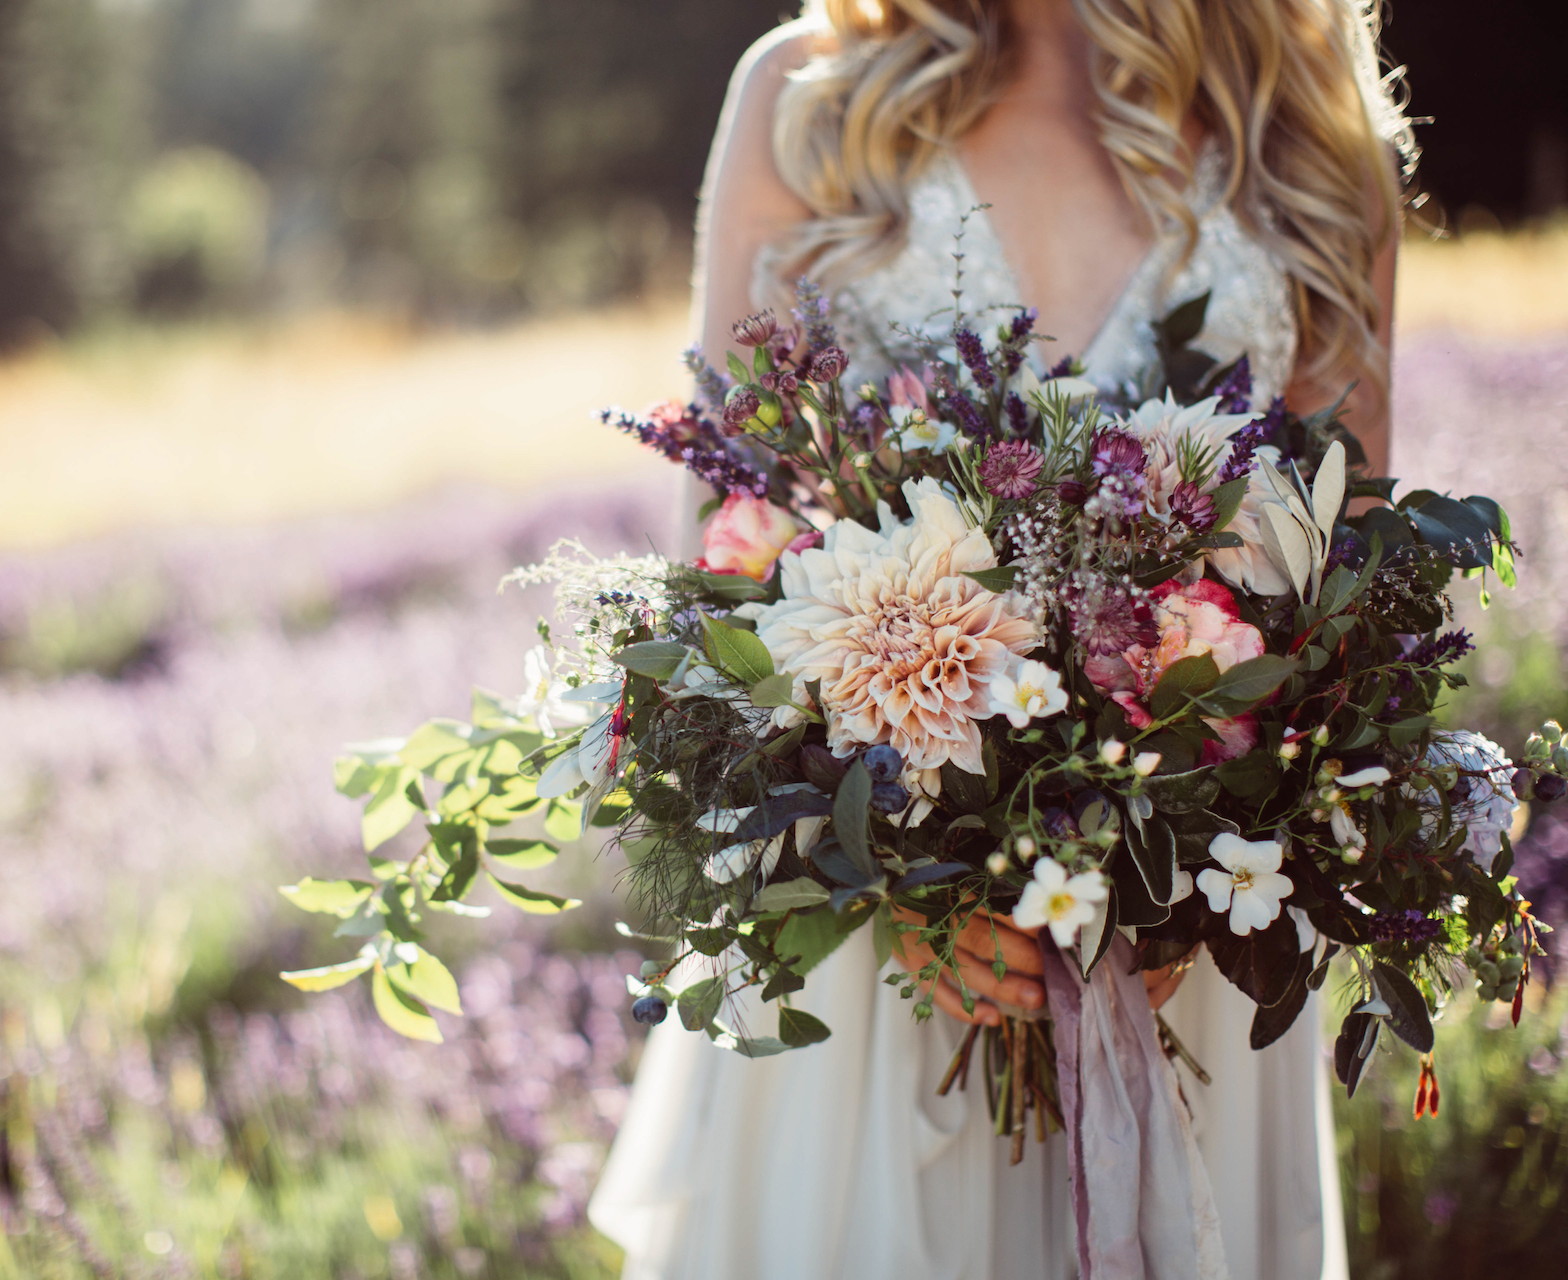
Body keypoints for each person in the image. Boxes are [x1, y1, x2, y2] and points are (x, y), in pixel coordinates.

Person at [592, 1, 1410, 1275]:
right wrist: (904, 885)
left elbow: (1346, 579)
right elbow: (729, 548)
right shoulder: (810, 96)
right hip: (874, 981)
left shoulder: (1304, 125)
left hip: (1190, 947)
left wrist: (1188, 889)